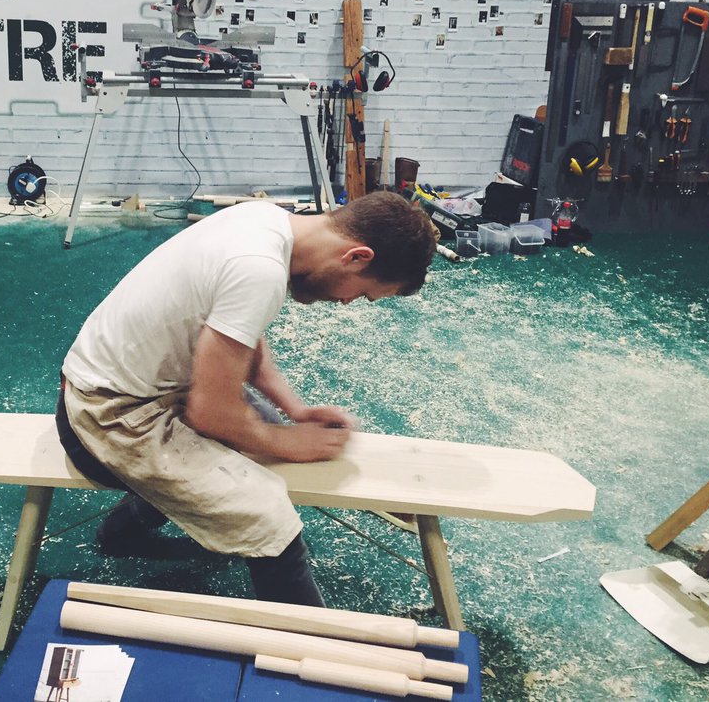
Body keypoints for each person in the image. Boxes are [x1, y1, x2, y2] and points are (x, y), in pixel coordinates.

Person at [57, 191, 439, 606]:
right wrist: (286, 441)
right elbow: (210, 413)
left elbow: (241, 331)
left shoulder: (264, 220)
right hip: (106, 415)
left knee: (254, 429)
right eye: (362, 293)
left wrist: (293, 410)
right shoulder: (259, 270)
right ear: (357, 257)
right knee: (268, 517)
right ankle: (307, 648)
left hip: (136, 386)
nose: (348, 302)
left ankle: (121, 532)